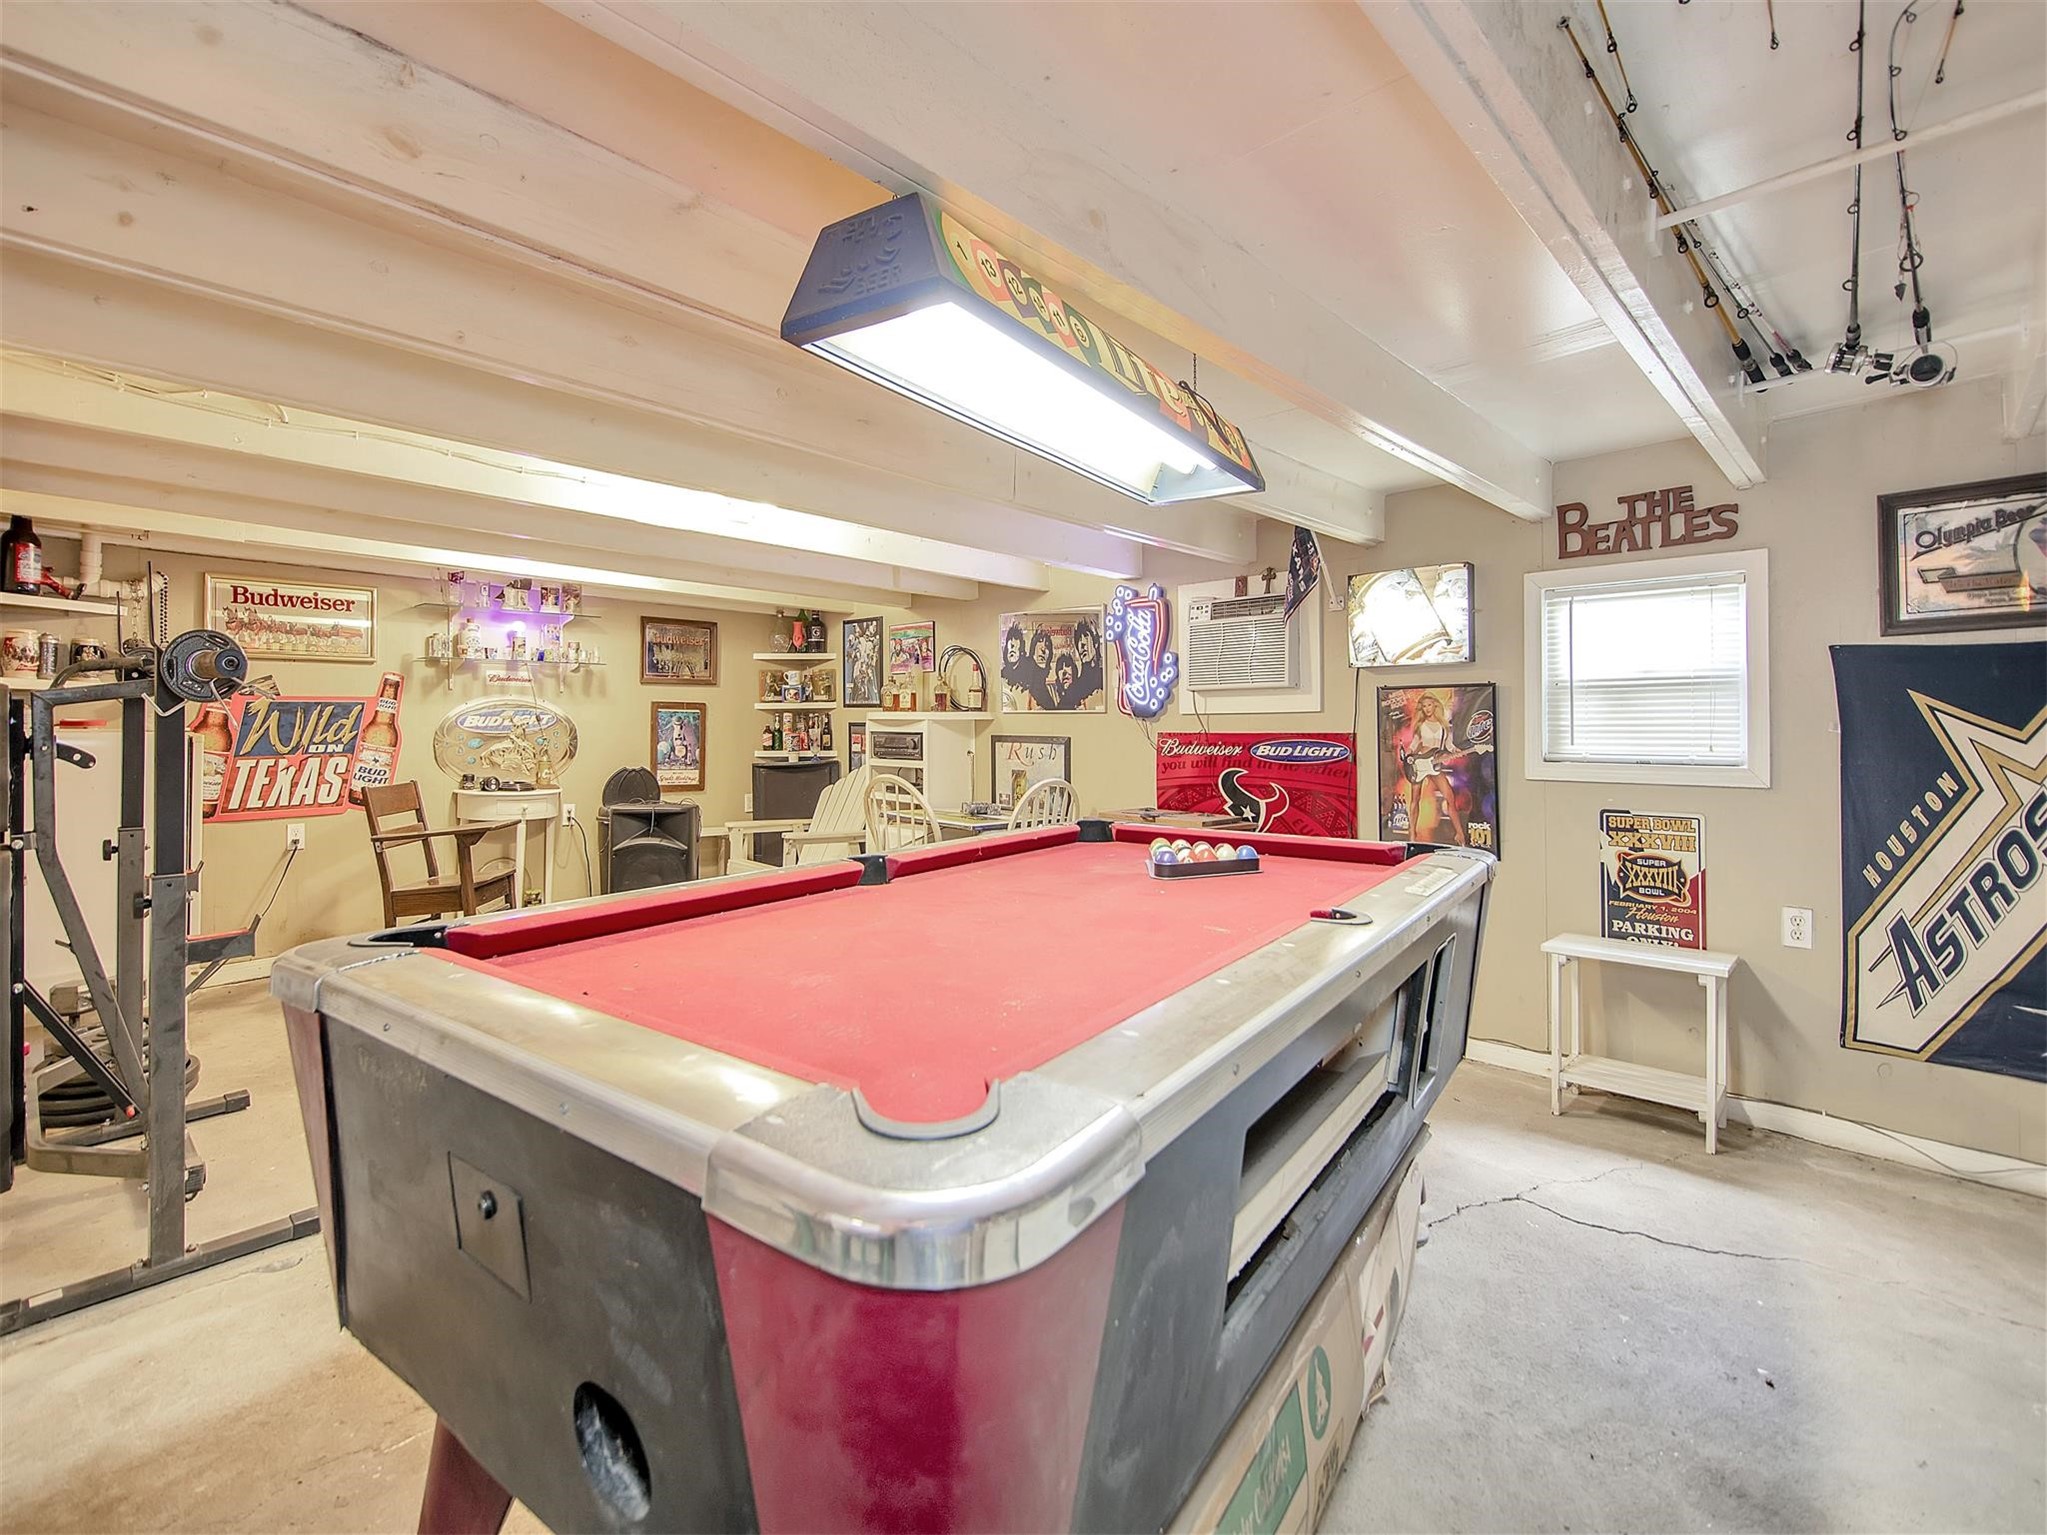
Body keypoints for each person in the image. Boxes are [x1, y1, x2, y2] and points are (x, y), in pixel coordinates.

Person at [1395, 693, 1467, 845]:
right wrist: (1407, 755)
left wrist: (1456, 751)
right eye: (1424, 706)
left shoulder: (1444, 727)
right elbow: (1414, 745)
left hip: (1434, 764)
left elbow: (1449, 746)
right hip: (1420, 763)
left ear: (1435, 705)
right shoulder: (1421, 726)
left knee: (1450, 797)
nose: (1427, 709)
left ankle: (1459, 833)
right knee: (1415, 799)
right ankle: (1412, 833)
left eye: (1429, 705)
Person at [1069, 617, 1104, 707]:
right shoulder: (1076, 687)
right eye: (1079, 640)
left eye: (1086, 636)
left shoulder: (1104, 676)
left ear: (1096, 642)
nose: (1082, 643)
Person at [1026, 630, 1059, 710]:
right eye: (1040, 641)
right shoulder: (1030, 685)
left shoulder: (1051, 688)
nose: (1043, 649)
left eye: (1047, 645)